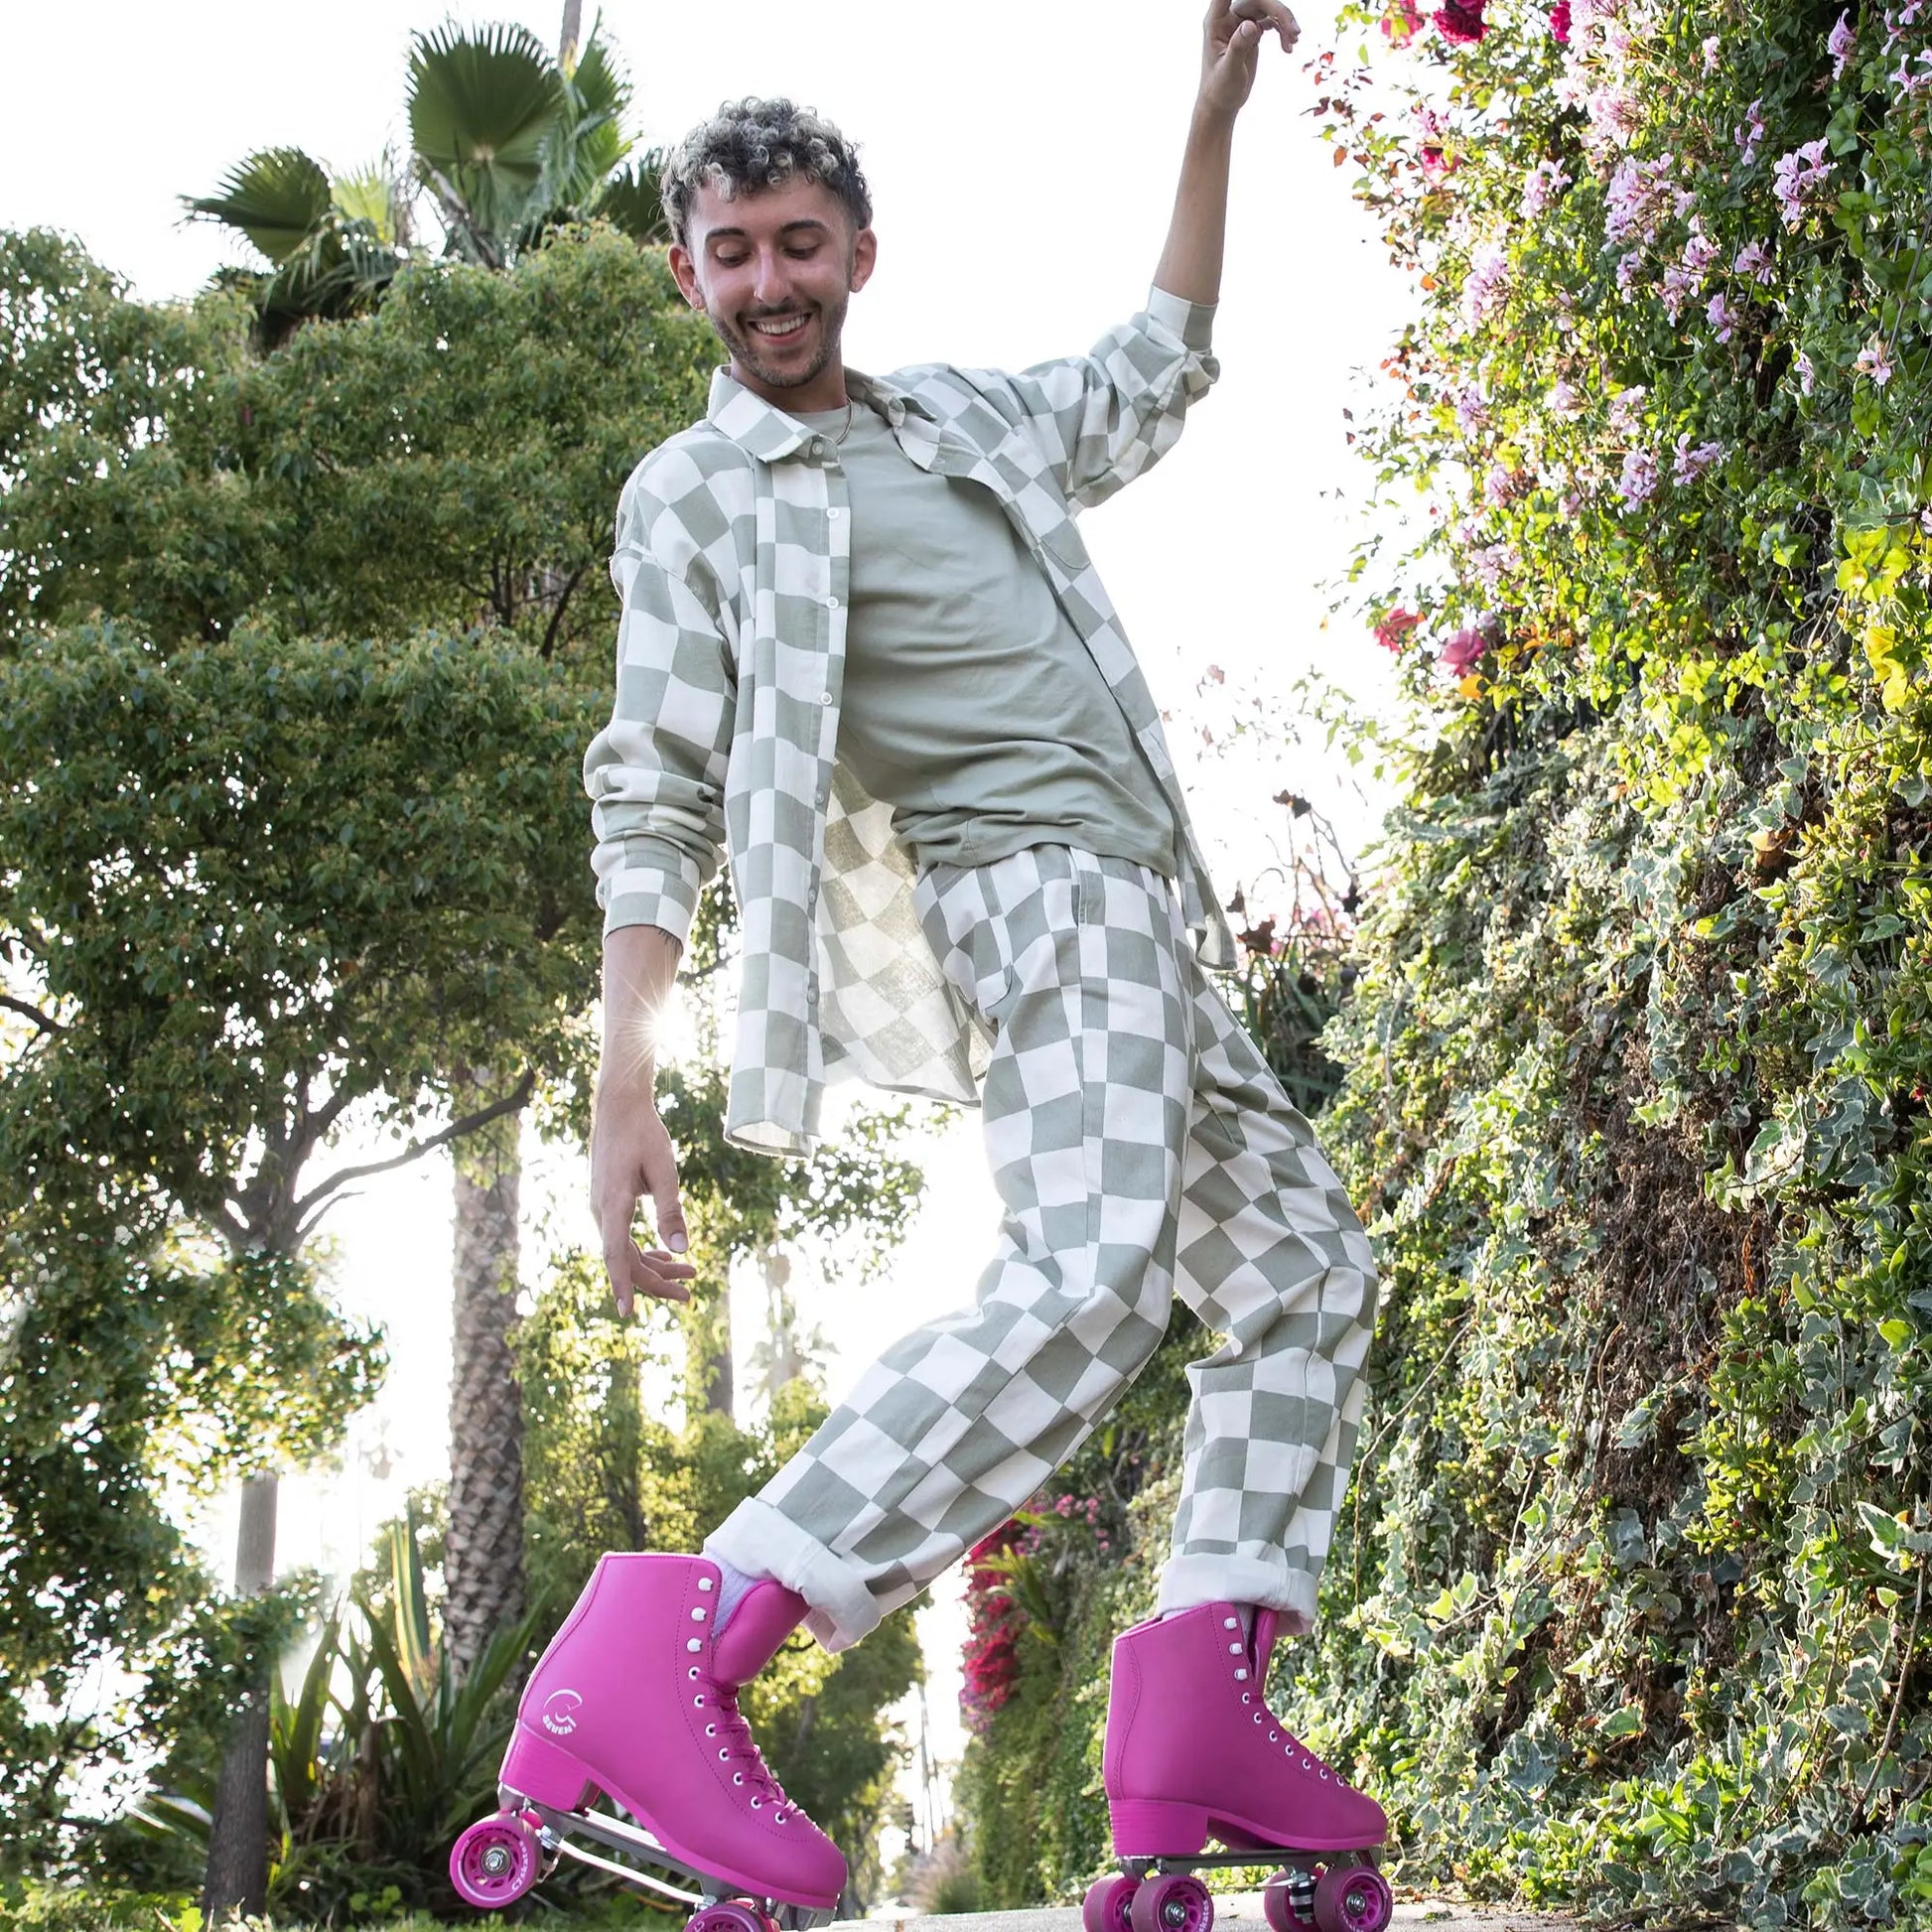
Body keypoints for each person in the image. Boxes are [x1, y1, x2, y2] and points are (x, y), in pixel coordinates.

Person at [500, 2, 1386, 1914]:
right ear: (685, 272)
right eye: (729, 254)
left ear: (857, 253)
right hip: (1030, 895)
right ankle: (694, 1635)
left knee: (1306, 1266)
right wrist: (623, 1072)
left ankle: (1195, 1714)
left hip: (1153, 914)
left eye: (797, 245)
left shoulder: (965, 419)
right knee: (1086, 1279)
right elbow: (649, 780)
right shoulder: (697, 497)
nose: (766, 285)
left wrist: (1207, 117)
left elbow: (1148, 372)